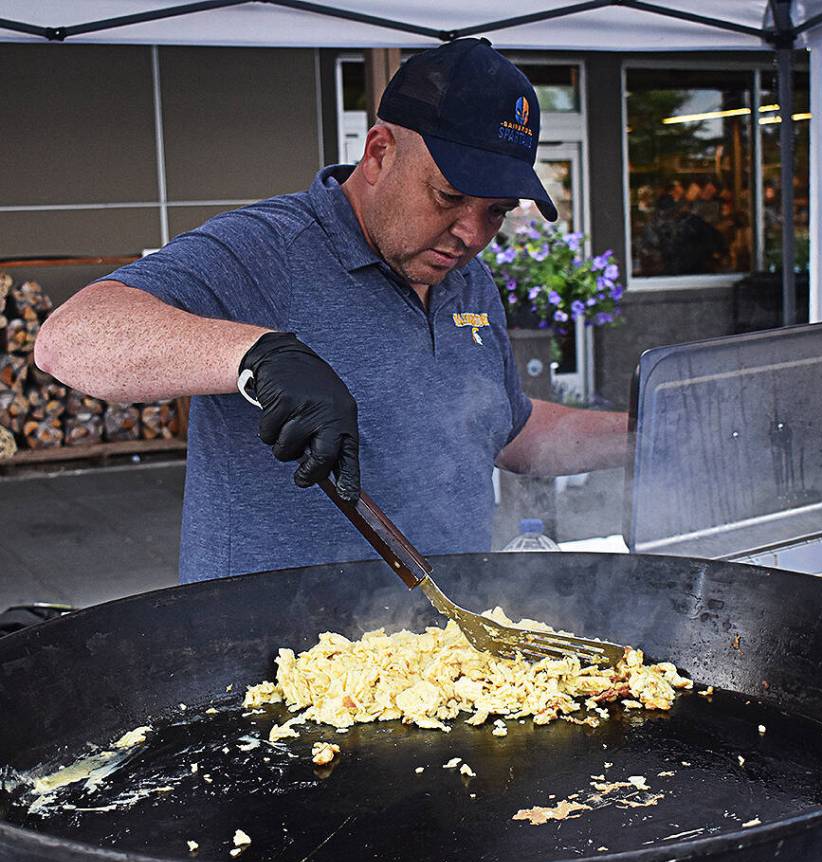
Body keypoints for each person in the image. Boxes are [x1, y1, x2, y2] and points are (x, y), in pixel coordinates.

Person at [34, 38, 628, 584]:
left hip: (447, 646)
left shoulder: (469, 282)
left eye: (496, 211)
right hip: (271, 656)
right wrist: (254, 355)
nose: (472, 234)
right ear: (378, 153)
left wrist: (650, 434)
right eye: (449, 196)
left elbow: (510, 429)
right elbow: (70, 338)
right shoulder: (268, 248)